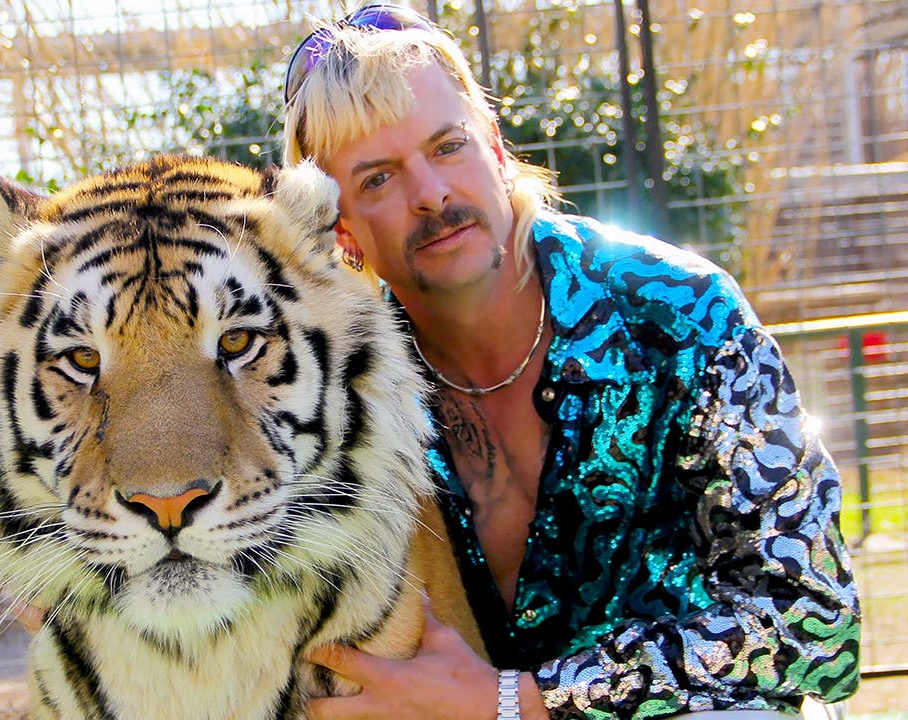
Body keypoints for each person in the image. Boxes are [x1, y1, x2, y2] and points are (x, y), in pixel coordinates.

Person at [280, 5, 861, 720]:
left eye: (448, 146)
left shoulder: (682, 313)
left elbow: (817, 624)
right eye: (378, 180)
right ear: (343, 231)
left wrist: (518, 701)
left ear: (494, 144)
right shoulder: (339, 394)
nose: (431, 193)